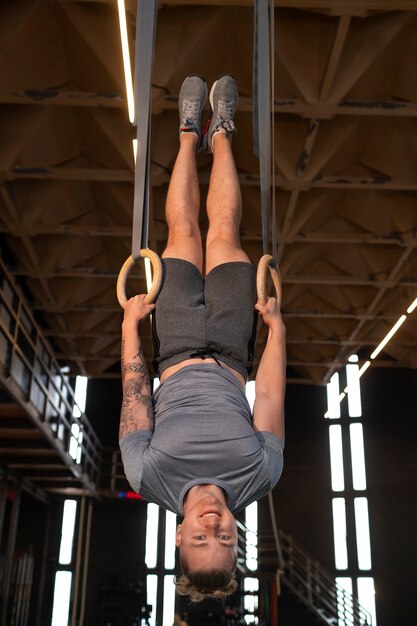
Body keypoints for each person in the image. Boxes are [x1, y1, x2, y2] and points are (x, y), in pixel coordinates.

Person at [119, 75, 286, 603]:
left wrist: (129, 329)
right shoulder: (262, 473)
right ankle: (222, 133)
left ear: (178, 537)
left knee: (184, 234)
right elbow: (271, 396)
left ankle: (189, 131)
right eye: (225, 539)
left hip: (175, 344)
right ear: (239, 540)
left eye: (200, 538)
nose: (214, 524)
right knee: (225, 233)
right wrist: (276, 331)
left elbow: (135, 397)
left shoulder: (148, 475)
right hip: (236, 346)